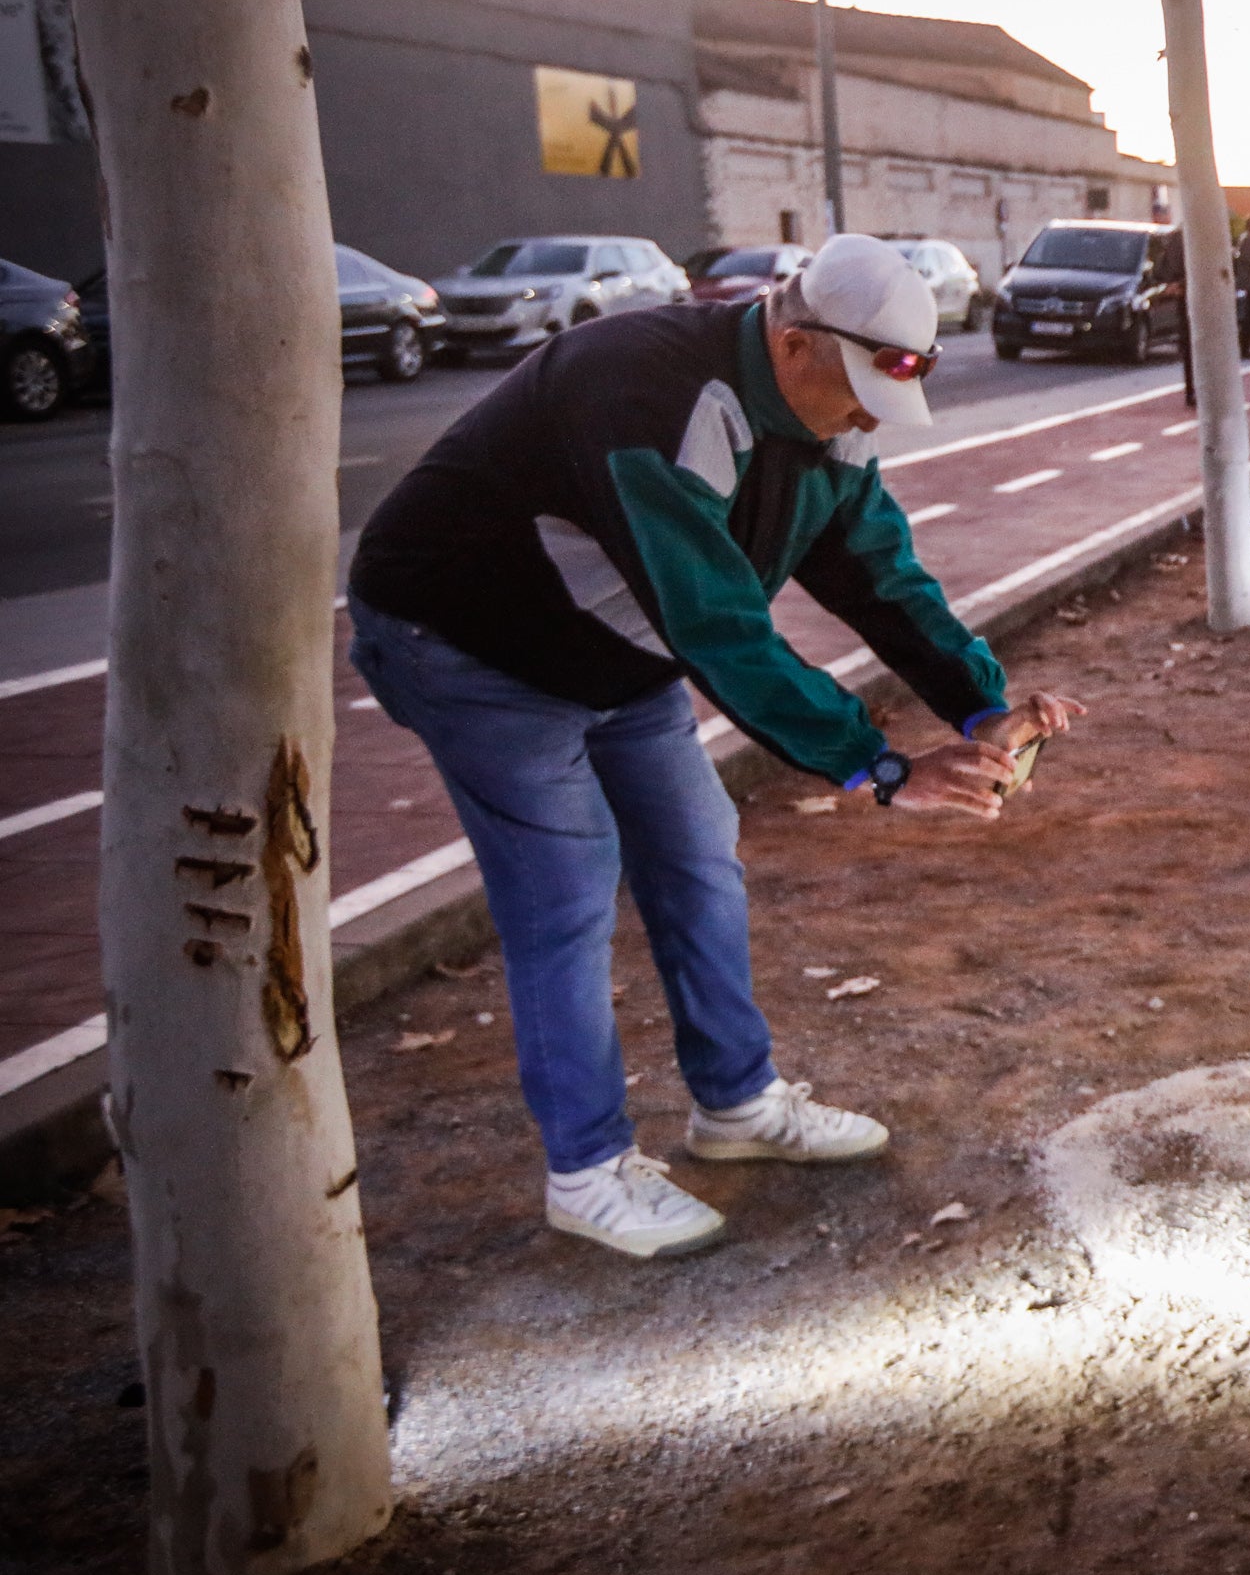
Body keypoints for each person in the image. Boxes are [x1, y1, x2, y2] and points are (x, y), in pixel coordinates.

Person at [347, 236, 1084, 1259]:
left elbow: (877, 569)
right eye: (862, 391)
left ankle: (735, 1104)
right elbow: (719, 623)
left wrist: (978, 705)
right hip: (474, 646)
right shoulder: (645, 395)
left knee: (699, 858)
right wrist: (876, 765)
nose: (871, 417)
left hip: (620, 647)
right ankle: (586, 1170)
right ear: (795, 343)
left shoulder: (831, 417)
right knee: (564, 895)